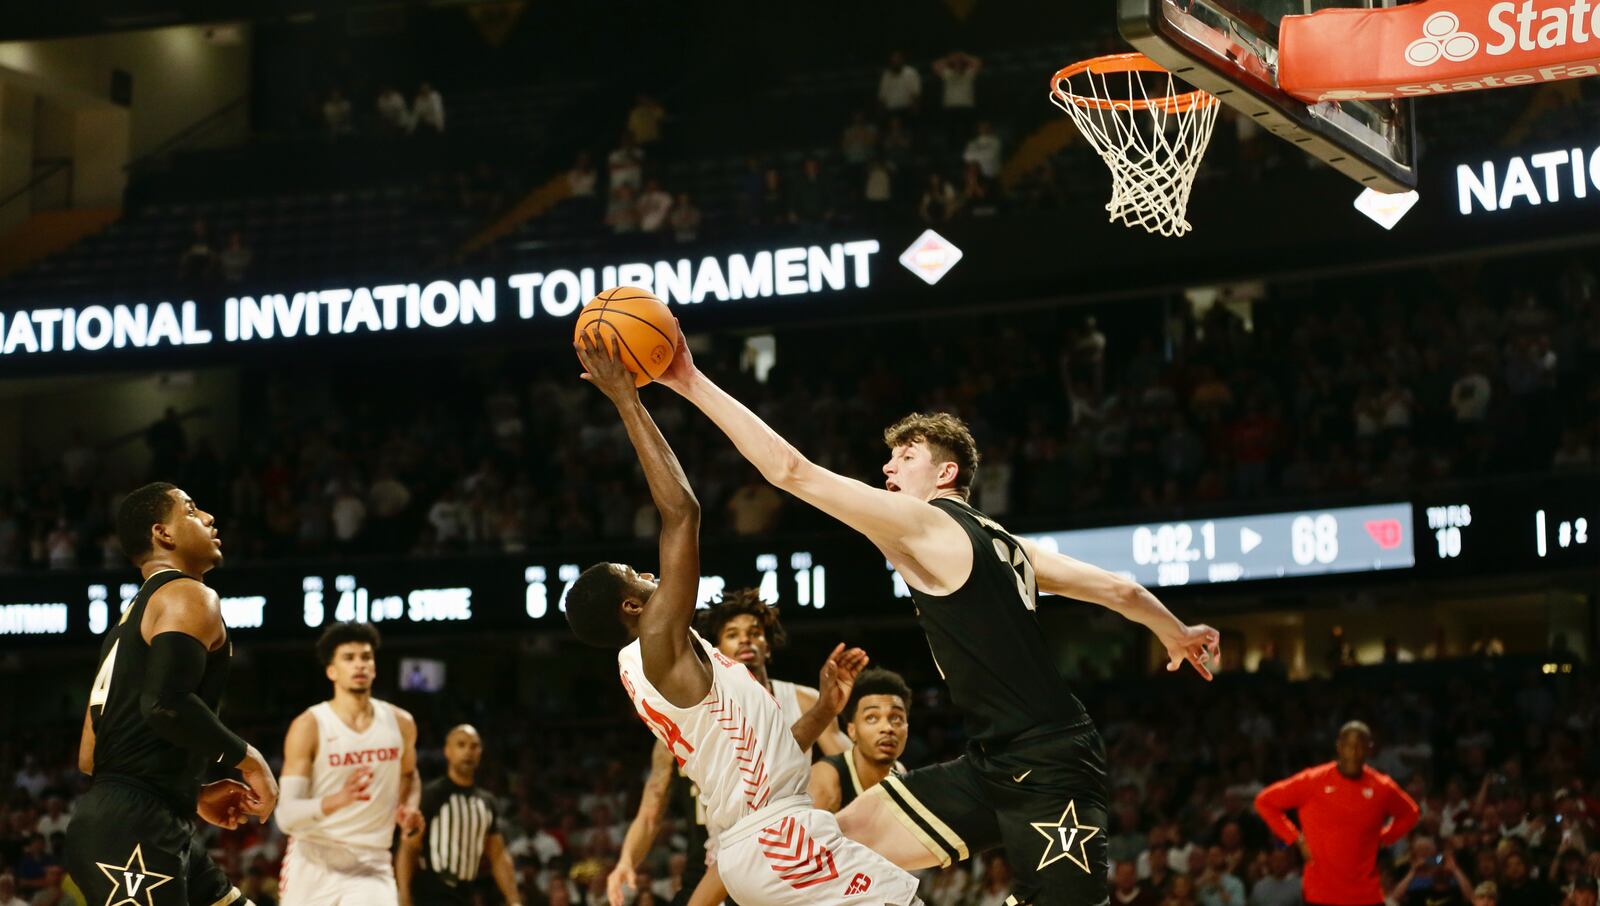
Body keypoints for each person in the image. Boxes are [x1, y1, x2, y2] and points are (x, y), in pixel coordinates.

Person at [650, 322, 1220, 904]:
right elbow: (1121, 592)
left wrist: (690, 380)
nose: (889, 470)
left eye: (906, 457)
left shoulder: (926, 524)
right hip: (993, 761)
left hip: (1051, 769)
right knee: (835, 842)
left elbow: (791, 471)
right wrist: (1175, 633)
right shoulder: (1008, 544)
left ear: (945, 474)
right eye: (890, 459)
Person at [563, 331, 922, 906]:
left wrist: (826, 709)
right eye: (636, 572)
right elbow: (681, 513)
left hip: (762, 838)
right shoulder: (655, 640)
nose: (649, 574)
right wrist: (627, 400)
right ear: (630, 608)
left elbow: (763, 753)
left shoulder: (664, 660)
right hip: (777, 838)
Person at [64, 482, 277, 906]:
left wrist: (190, 793)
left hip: (140, 817)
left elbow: (91, 754)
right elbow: (165, 704)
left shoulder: (125, 627)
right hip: (135, 827)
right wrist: (249, 760)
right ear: (163, 534)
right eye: (193, 511)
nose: (210, 518)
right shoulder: (187, 593)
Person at [609, 588, 849, 905]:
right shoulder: (690, 713)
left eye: (754, 633)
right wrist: (626, 860)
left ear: (768, 646)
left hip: (796, 837)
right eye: (733, 634)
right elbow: (651, 810)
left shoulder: (804, 699)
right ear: (718, 650)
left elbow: (846, 765)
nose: (746, 640)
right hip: (725, 850)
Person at [274, 622, 424, 906]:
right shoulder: (309, 725)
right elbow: (286, 815)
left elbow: (409, 774)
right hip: (314, 856)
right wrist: (338, 800)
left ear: (375, 667)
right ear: (332, 671)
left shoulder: (401, 723)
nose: (360, 665)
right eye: (349, 658)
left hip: (372, 859)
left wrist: (410, 806)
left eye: (366, 657)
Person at [1255, 721, 1420, 906]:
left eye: (1360, 746)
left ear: (1369, 749)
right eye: (1349, 745)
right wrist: (1296, 839)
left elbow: (1410, 813)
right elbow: (1264, 801)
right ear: (1339, 747)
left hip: (1366, 895)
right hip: (1320, 895)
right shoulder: (1313, 780)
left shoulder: (1382, 786)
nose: (1354, 752)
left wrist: (1385, 837)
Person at [397, 725, 520, 906]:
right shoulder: (431, 795)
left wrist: (514, 900)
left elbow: (498, 855)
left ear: (480, 752)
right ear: (448, 751)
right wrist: (404, 896)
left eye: (474, 746)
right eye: (461, 745)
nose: (468, 752)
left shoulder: (487, 801)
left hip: (467, 893)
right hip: (432, 894)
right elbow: (409, 848)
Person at [809, 669, 911, 813]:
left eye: (896, 718)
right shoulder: (826, 779)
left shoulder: (899, 771)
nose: (887, 728)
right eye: (872, 717)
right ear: (852, 730)